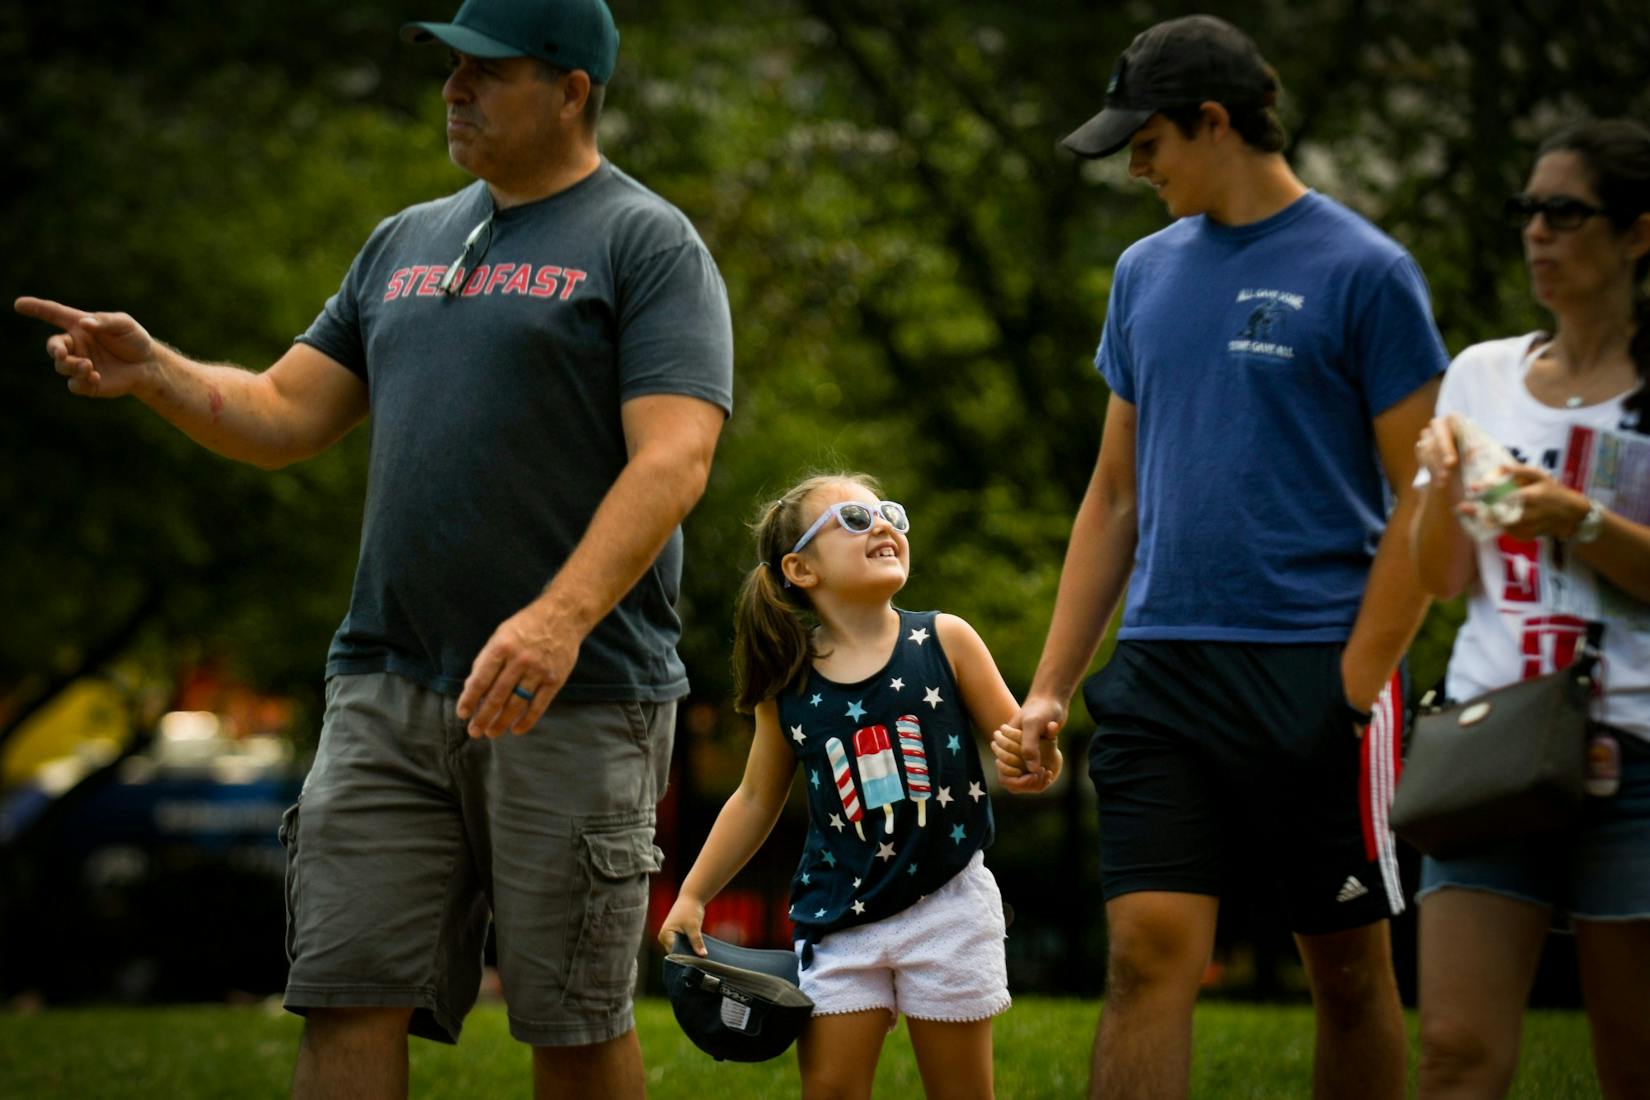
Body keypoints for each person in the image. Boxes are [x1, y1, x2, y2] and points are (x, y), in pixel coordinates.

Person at [15, 0, 733, 1096]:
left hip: (577, 693)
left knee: (574, 1022)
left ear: (572, 86)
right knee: (345, 990)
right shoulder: (404, 243)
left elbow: (675, 459)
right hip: (384, 685)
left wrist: (557, 617)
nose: (455, 89)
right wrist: (156, 370)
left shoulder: (644, 241)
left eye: (486, 70)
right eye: (450, 67)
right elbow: (280, 413)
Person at [1002, 15, 1450, 1100]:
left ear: (1216, 121)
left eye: (1148, 141)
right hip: (1165, 669)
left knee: (1345, 969)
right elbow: (1114, 494)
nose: (1136, 166)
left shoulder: (1366, 271)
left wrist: (1354, 685)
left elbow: (1431, 502)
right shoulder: (1143, 273)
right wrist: (1051, 684)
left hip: (1317, 667)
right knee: (1147, 951)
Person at [657, 473, 1060, 1100]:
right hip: (840, 918)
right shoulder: (786, 686)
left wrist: (1033, 757)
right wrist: (693, 892)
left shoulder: (946, 639)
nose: (882, 526)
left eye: (889, 514)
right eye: (852, 519)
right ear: (801, 568)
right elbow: (757, 800)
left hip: (948, 906)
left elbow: (1020, 750)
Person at [1410, 118, 1650, 1100]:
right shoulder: (1482, 375)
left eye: (1565, 212)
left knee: (1635, 1063)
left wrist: (1575, 517)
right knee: (1458, 1054)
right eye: (1528, 212)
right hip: (1490, 742)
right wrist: (1434, 486)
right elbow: (1443, 578)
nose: (1538, 234)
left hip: (1634, 754)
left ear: (1638, 233)